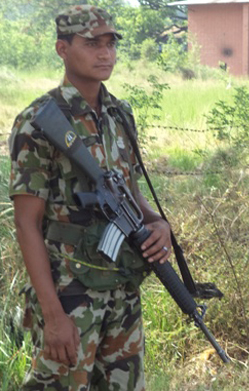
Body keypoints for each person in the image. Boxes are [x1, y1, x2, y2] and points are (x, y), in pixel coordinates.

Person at [9, 5, 171, 390]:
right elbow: (26, 222)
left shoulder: (119, 113)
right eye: (91, 43)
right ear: (61, 49)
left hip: (122, 284)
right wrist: (53, 314)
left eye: (111, 44)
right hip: (70, 291)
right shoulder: (38, 121)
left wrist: (157, 222)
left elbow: (129, 191)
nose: (105, 53)